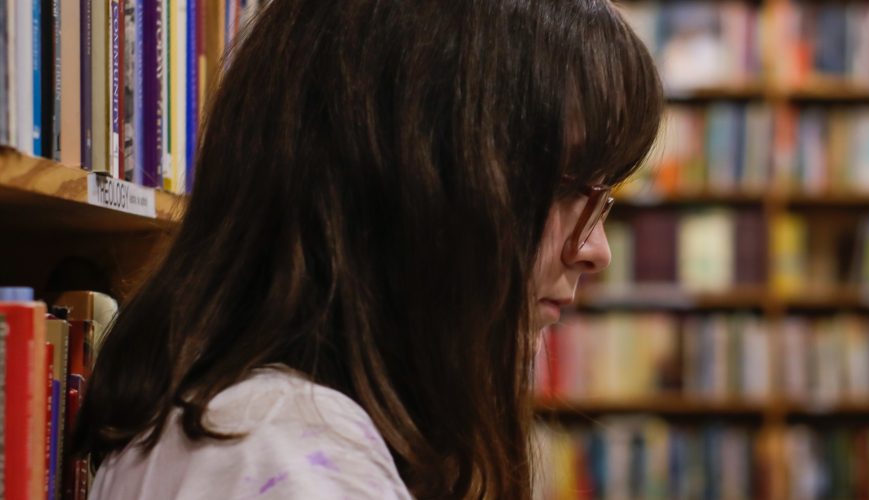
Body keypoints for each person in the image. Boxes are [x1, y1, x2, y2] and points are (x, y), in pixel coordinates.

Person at [73, 0, 663, 498]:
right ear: (405, 170)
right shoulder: (274, 455)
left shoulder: (258, 429)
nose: (595, 250)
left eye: (602, 196)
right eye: (563, 184)